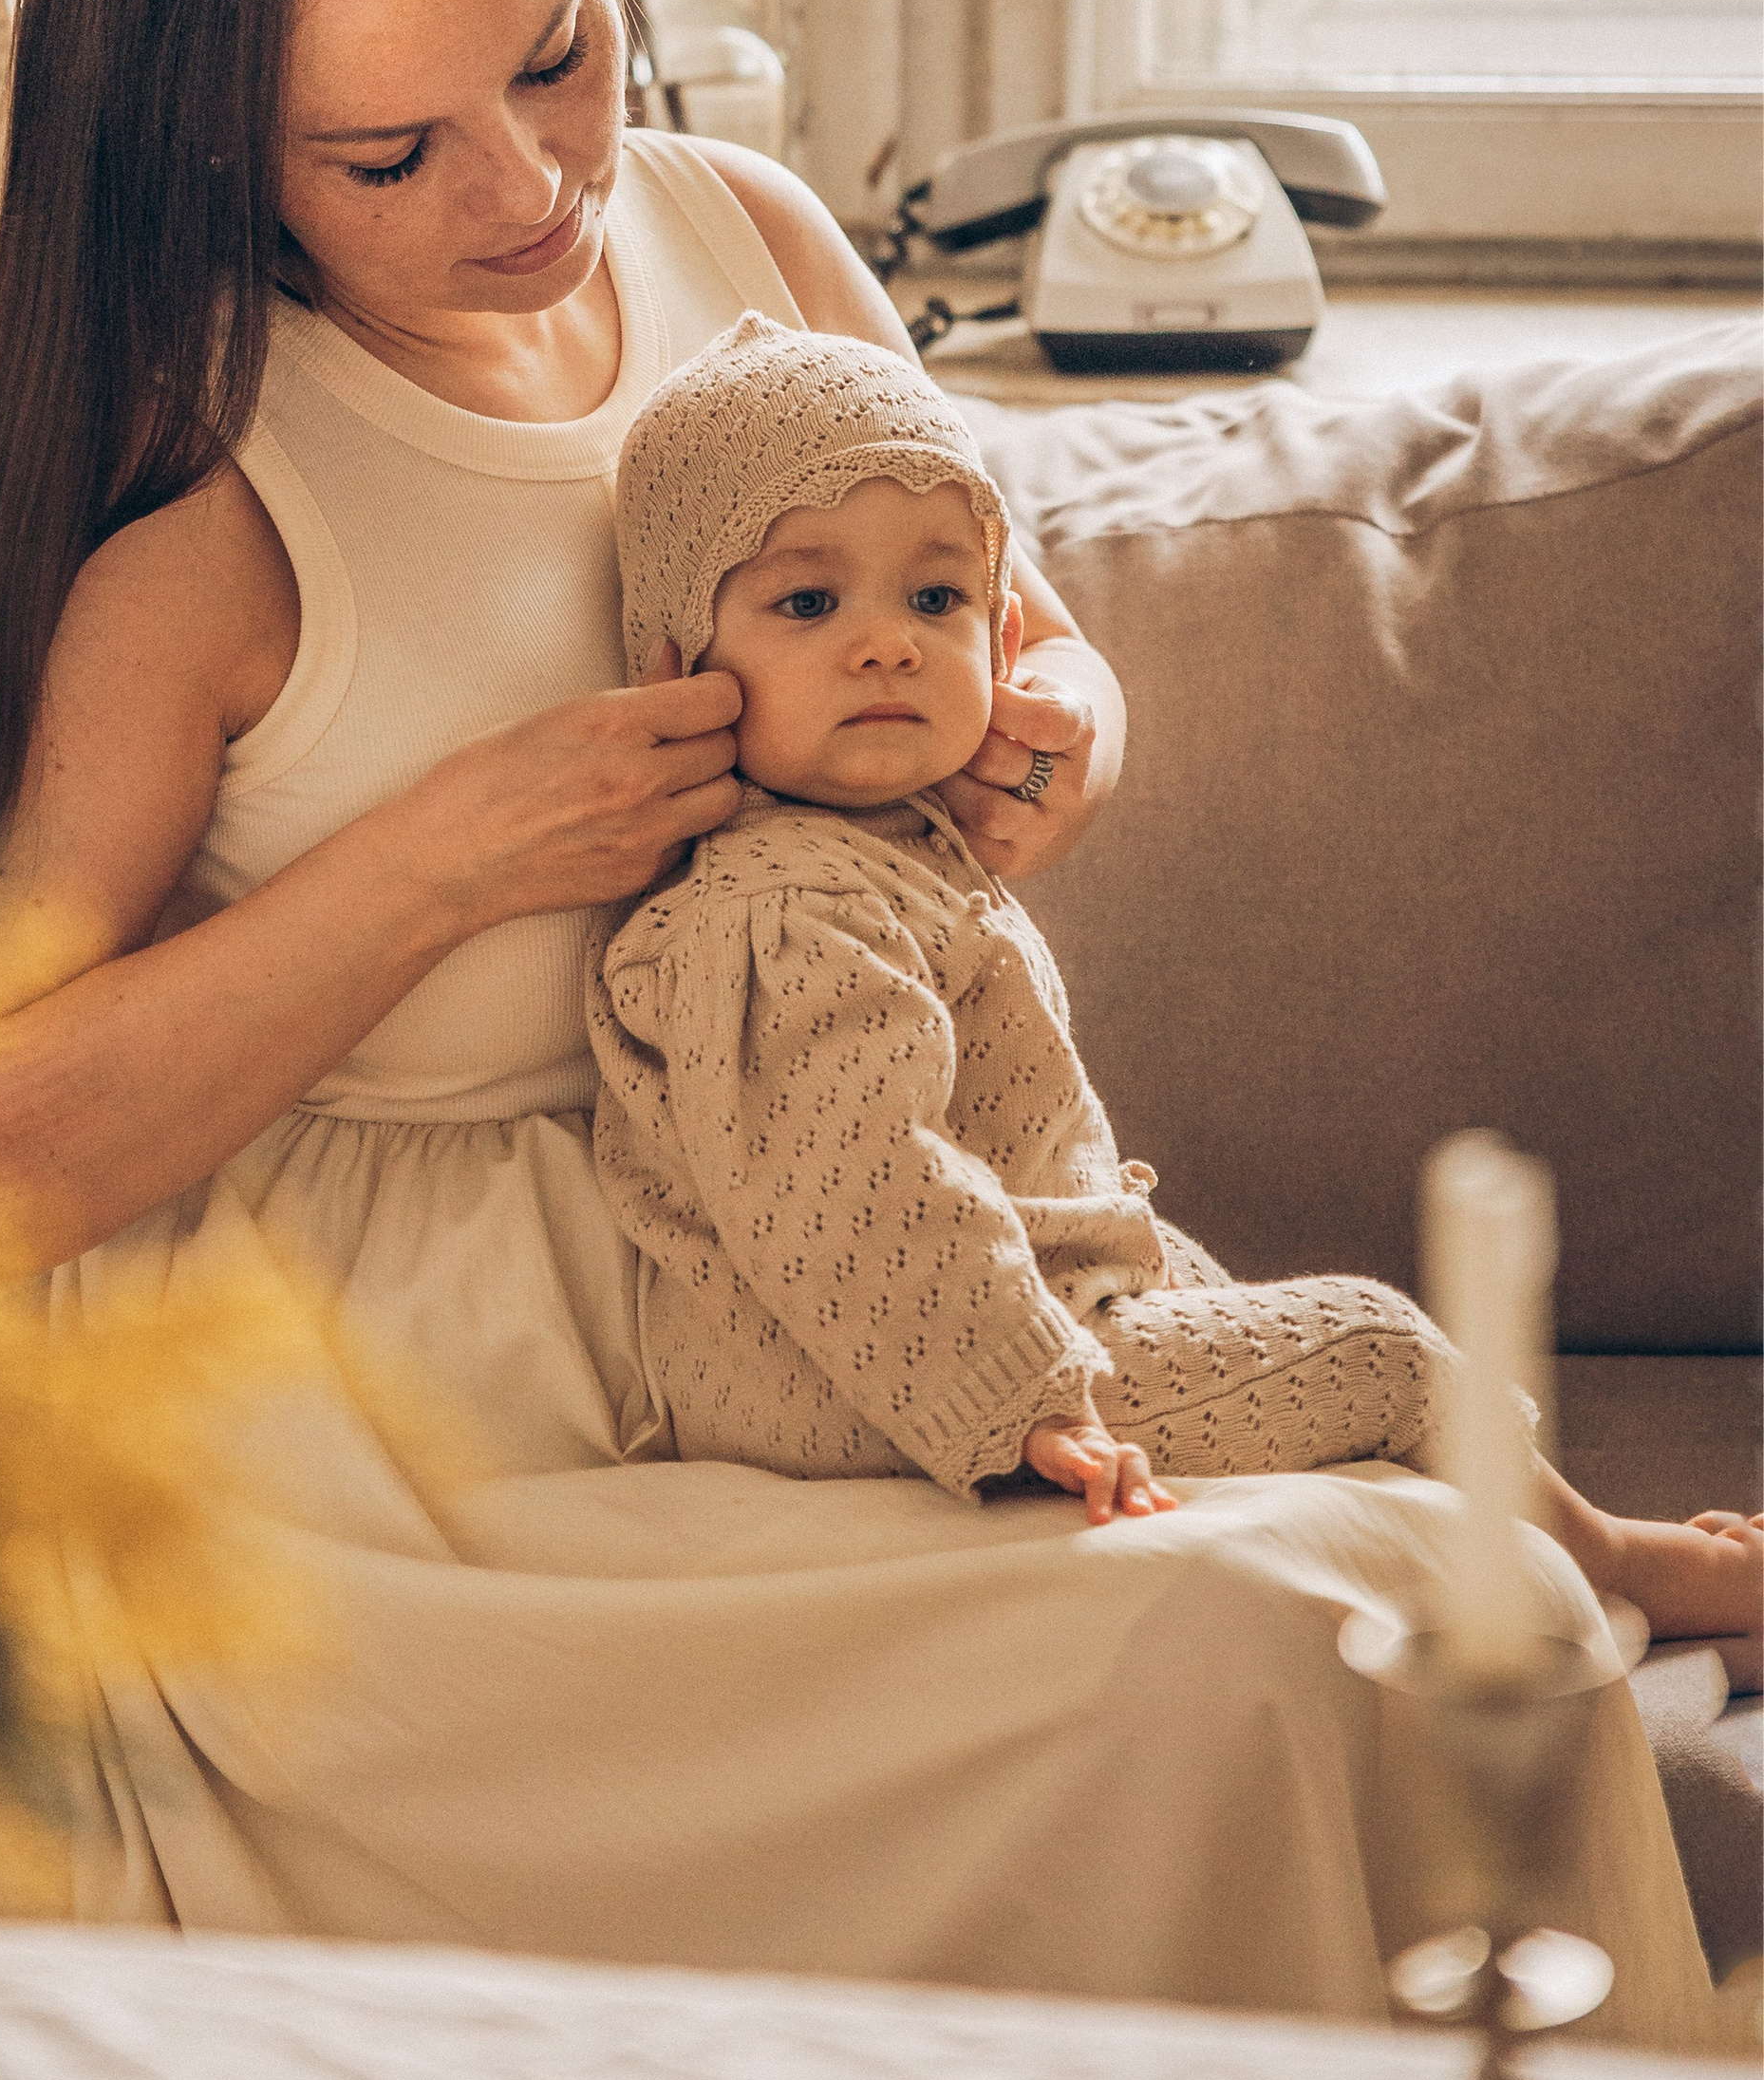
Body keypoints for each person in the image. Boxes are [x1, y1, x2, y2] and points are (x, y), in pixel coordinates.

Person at [0, 0, 1712, 2034]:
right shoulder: (200, 502)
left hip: (834, 1264)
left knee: (1446, 1587)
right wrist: (445, 857)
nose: (527, 188)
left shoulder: (754, 252)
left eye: (560, 57)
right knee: (1248, 1654)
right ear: (202, 145)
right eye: (389, 152)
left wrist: (1051, 726)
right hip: (422, 1472)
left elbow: (1007, 626)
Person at [590, 314, 1764, 1683]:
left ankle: (1491, 1540)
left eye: (934, 600)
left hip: (997, 1312)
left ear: (1003, 627)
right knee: (1380, 1348)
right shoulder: (784, 910)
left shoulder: (897, 853)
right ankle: (1620, 1564)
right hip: (858, 1378)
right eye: (808, 604)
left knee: (1229, 1298)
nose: (886, 648)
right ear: (678, 666)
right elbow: (859, 1194)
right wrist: (1019, 1398)